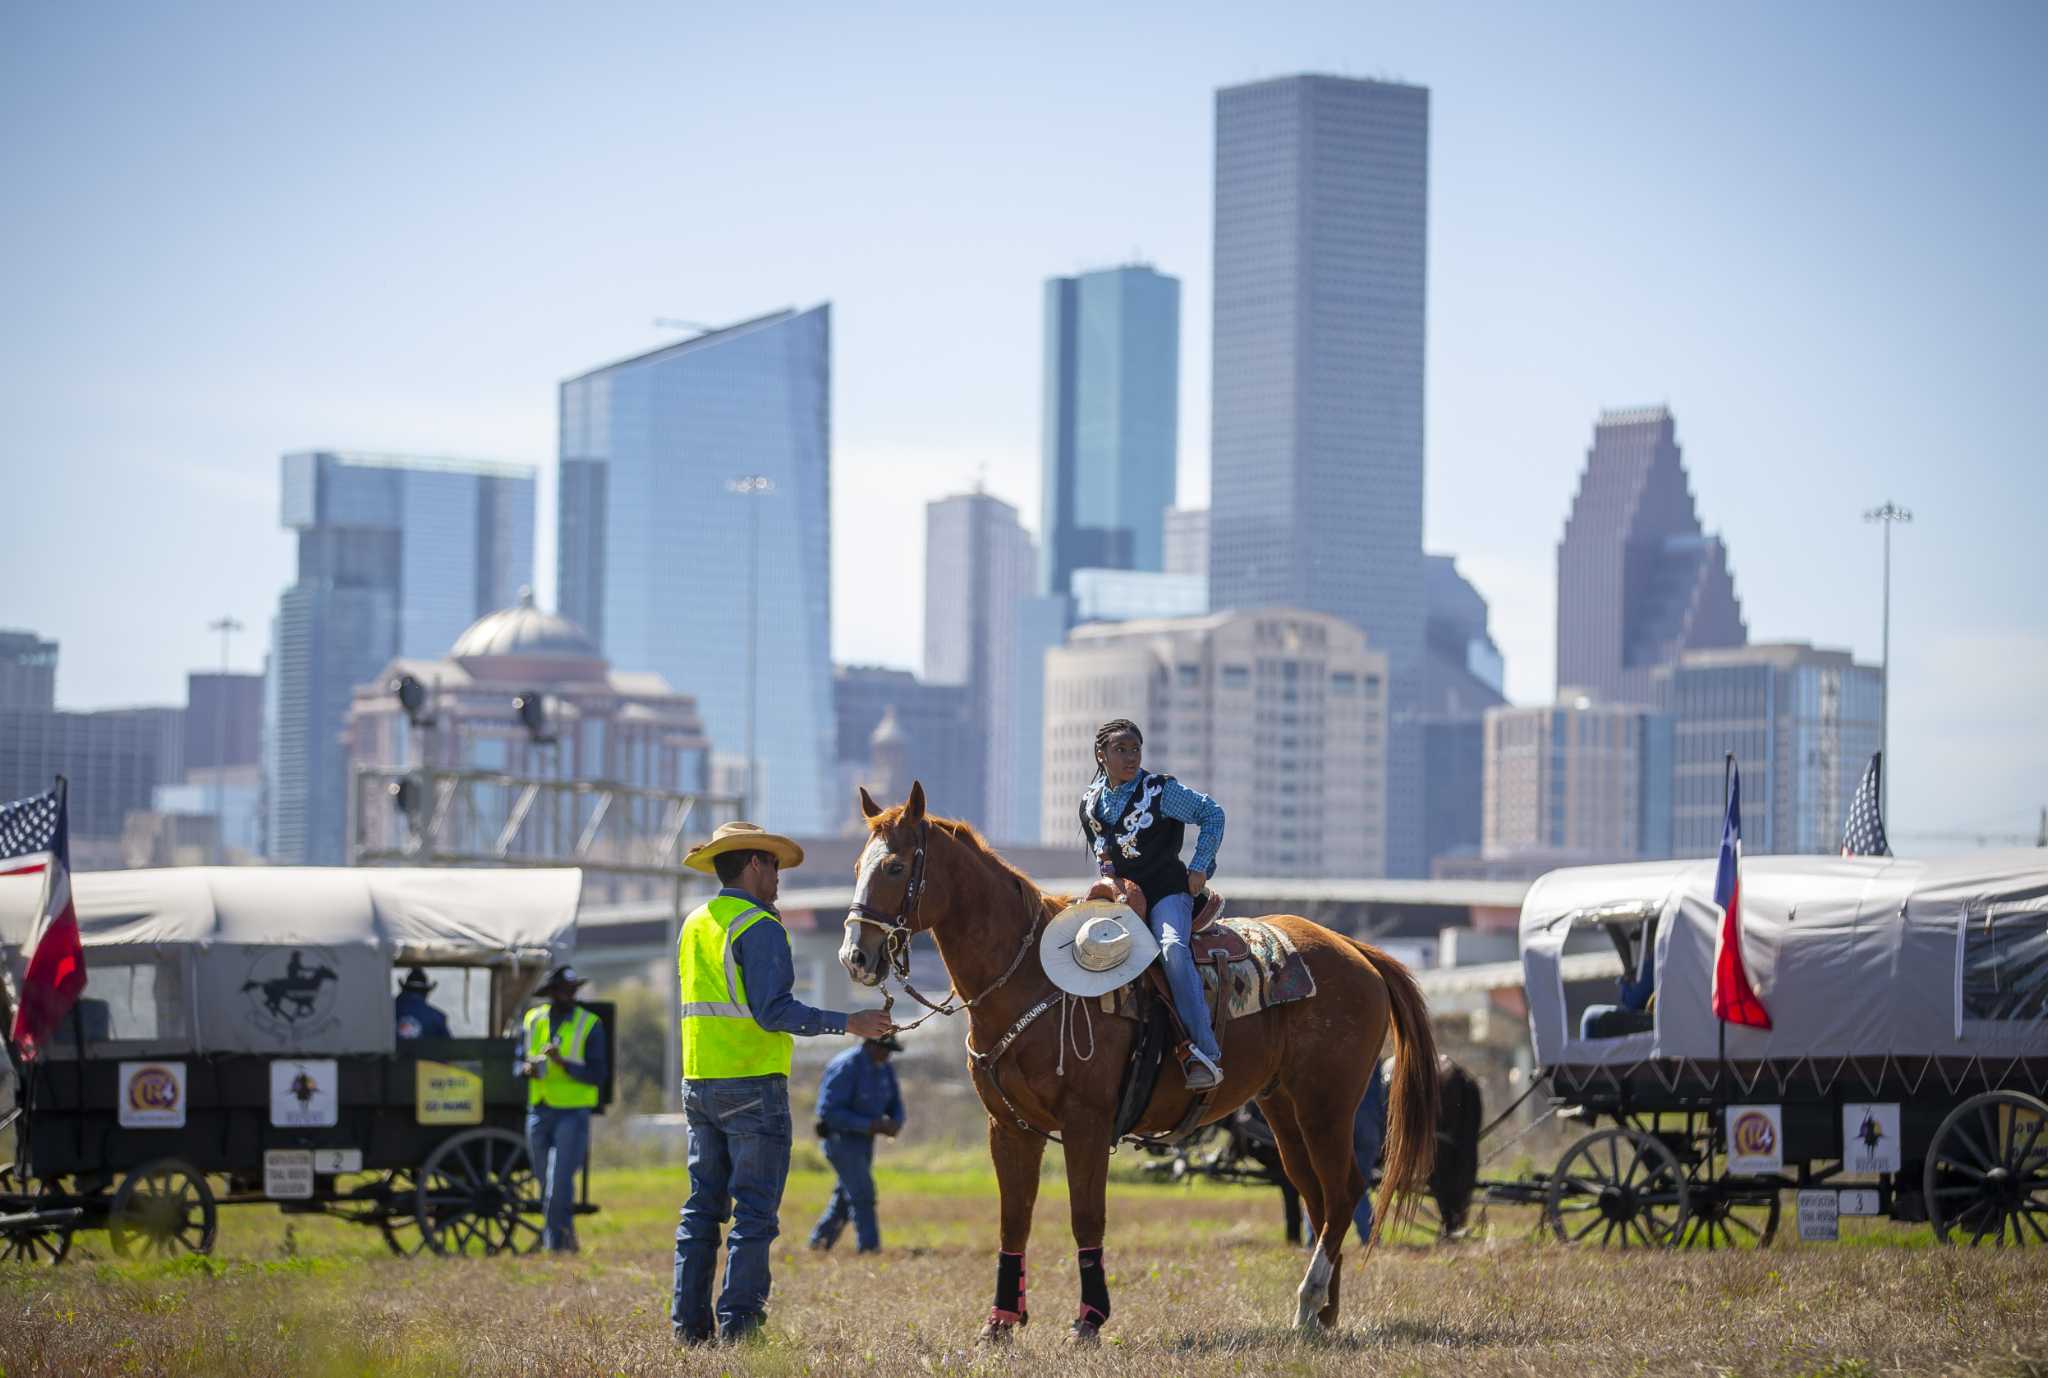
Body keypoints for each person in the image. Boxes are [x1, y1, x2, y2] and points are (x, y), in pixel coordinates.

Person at [672, 821, 895, 1347]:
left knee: (702, 1210)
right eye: (773, 864)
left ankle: (689, 1329)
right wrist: (850, 1022)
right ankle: (740, 1329)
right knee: (753, 1214)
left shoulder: (695, 922)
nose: (778, 876)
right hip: (751, 1087)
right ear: (754, 864)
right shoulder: (761, 926)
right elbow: (774, 1012)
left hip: (699, 1082)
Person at [1078, 718, 1228, 1090]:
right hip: (1123, 901)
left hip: (1167, 894)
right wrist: (1110, 885)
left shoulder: (1159, 791)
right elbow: (1105, 858)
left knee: (1172, 950)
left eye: (1135, 749)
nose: (1130, 757)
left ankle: (1205, 1052)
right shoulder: (1090, 804)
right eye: (1121, 750)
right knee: (1076, 946)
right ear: (1102, 755)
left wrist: (1199, 868)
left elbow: (1213, 814)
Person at [518, 964, 606, 1253]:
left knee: (558, 1182)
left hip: (573, 1111)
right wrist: (526, 1068)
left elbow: (597, 1074)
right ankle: (564, 1239)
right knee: (546, 1183)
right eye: (562, 990)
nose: (568, 995)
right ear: (551, 992)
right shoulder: (533, 1020)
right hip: (539, 1108)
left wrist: (562, 1063)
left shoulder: (590, 1024)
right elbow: (516, 1061)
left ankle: (553, 1245)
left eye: (572, 990)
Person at [807, 1033, 906, 1254]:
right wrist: (870, 1124)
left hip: (864, 1142)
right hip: (840, 1140)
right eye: (885, 1049)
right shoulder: (846, 1066)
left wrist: (896, 1123)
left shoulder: (884, 1067)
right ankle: (869, 1249)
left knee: (846, 1197)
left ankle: (818, 1244)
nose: (888, 1054)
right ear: (870, 1044)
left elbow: (895, 1104)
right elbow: (829, 1112)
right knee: (862, 1193)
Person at [1350, 1060, 1391, 1242]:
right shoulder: (1372, 1058)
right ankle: (1371, 1235)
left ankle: (1370, 1236)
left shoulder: (1334, 1051)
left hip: (1347, 1129)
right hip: (1371, 1133)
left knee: (1323, 1184)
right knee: (1359, 1185)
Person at [394, 967, 451, 1041]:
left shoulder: (384, 1012)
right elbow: (449, 1048)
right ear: (426, 993)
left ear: (403, 989)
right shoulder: (437, 1018)